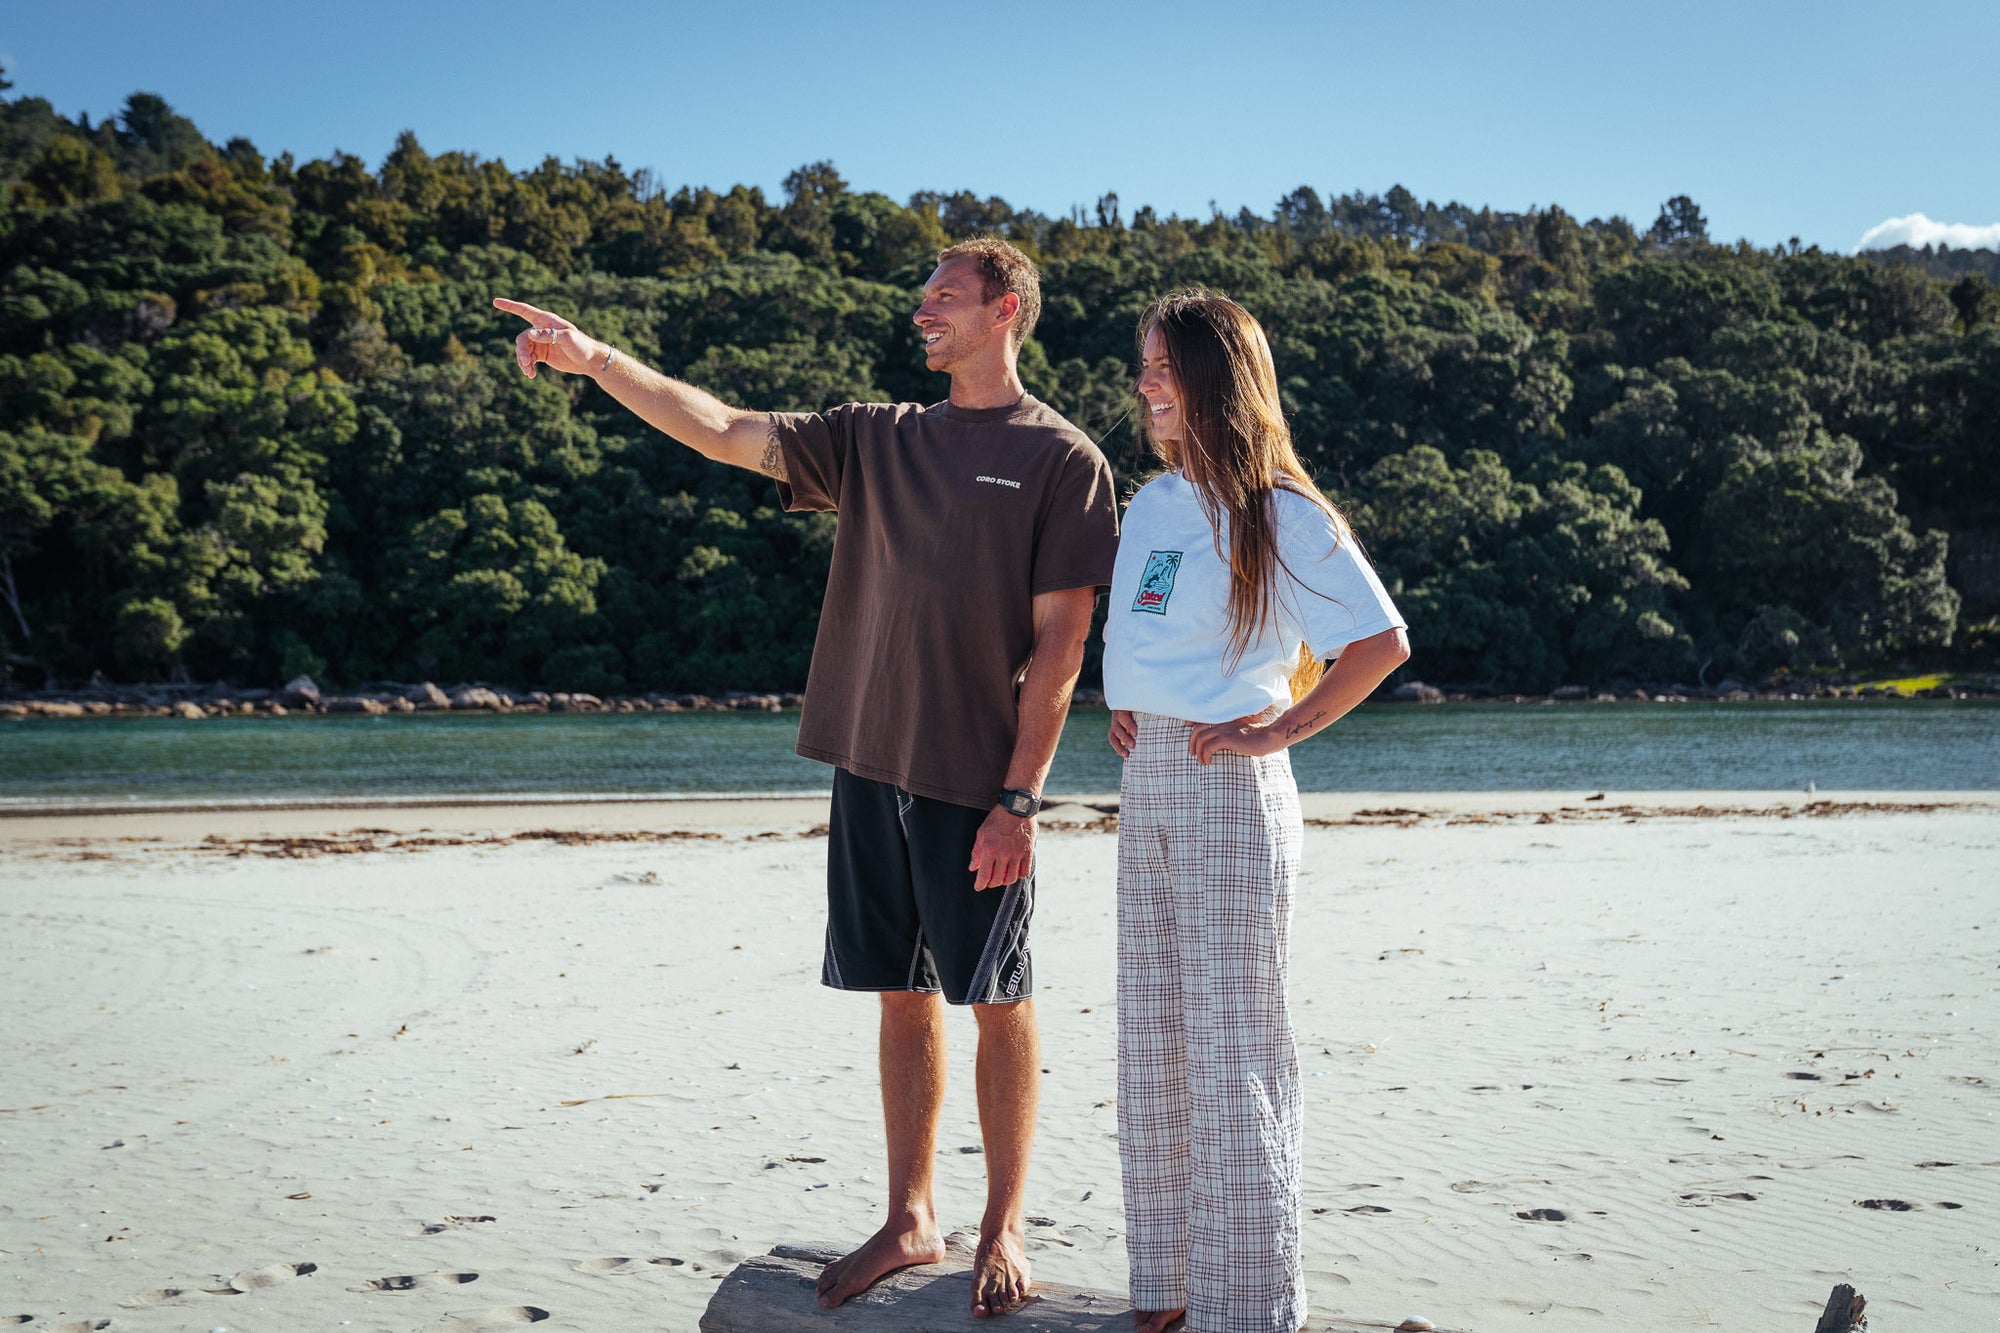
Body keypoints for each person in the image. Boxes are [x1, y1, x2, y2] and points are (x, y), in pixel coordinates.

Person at [494, 237, 1119, 1319]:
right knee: (898, 990)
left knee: (996, 998)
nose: (921, 313)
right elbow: (724, 429)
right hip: (867, 760)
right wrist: (598, 361)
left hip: (976, 779)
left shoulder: (1062, 459)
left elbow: (1062, 648)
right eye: (920, 296)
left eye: (945, 299)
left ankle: (1003, 1219)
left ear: (1005, 310)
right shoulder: (876, 438)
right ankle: (910, 1212)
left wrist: (1020, 798)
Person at [1102, 290, 1410, 1333]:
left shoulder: (1280, 511)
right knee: (1152, 1044)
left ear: (1214, 380)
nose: (1142, 382)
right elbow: (1150, 639)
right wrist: (1128, 709)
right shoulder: (1149, 504)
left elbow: (1377, 643)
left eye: (1160, 366)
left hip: (1229, 791)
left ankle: (1248, 1308)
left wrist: (1278, 728)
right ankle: (1166, 1292)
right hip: (1146, 785)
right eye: (1140, 364)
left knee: (1234, 1048)